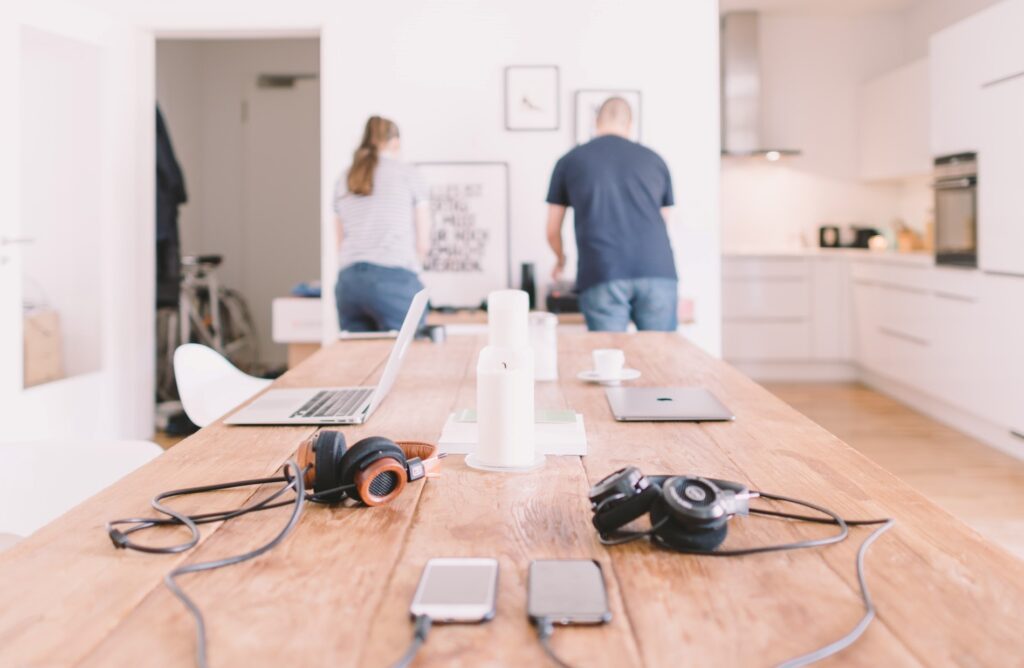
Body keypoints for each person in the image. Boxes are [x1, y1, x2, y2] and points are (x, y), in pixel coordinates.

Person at [545, 97, 678, 332]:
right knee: (661, 354)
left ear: (596, 121)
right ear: (630, 124)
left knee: (609, 360)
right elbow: (664, 219)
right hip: (657, 270)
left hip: (603, 270)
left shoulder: (570, 161)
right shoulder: (655, 160)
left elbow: (552, 229)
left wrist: (560, 258)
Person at [334, 116, 431, 331]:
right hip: (393, 277)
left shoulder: (344, 178)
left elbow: (340, 243)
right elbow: (423, 243)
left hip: (349, 283)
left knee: (359, 359)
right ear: (395, 142)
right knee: (408, 355)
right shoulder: (408, 174)